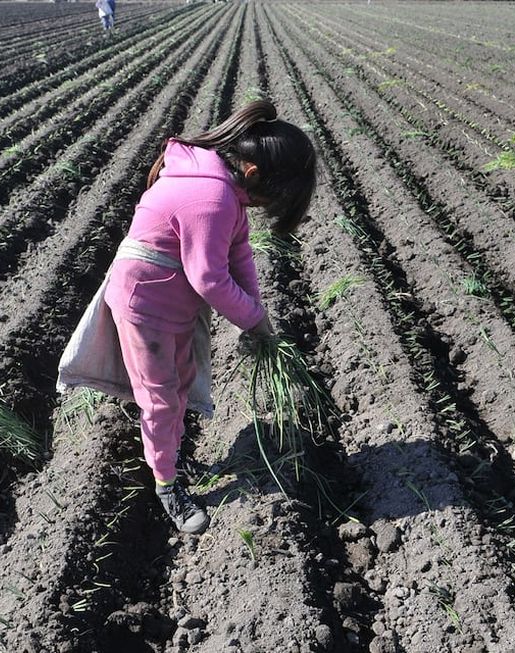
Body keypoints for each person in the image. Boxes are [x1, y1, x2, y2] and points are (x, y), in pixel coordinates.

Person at [58, 100, 316, 534]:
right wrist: (253, 320)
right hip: (146, 305)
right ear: (253, 174)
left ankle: (173, 453)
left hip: (171, 300)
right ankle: (166, 487)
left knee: (180, 381)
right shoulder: (211, 197)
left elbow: (239, 254)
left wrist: (258, 312)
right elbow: (210, 280)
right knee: (160, 399)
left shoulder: (224, 185)